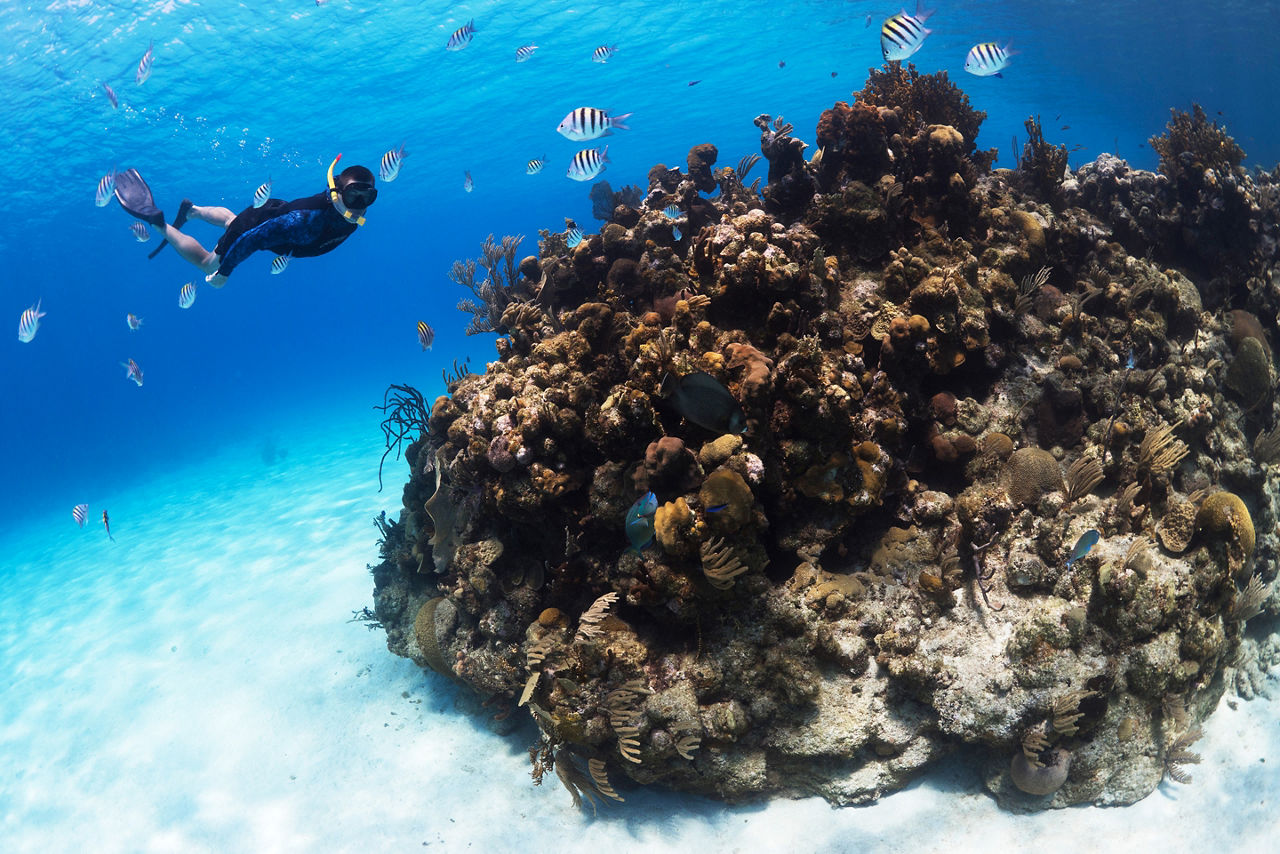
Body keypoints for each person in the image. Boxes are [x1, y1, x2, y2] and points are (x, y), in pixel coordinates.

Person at [114, 154, 377, 286]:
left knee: (232, 220)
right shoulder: (303, 221)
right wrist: (224, 272)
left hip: (271, 215)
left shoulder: (348, 217)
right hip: (261, 226)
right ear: (336, 192)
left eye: (368, 198)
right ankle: (157, 221)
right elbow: (252, 239)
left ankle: (191, 210)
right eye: (355, 197)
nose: (360, 207)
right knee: (208, 263)